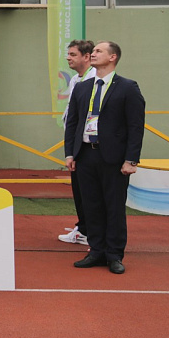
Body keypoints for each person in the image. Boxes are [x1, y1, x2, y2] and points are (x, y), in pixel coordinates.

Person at [64, 41, 145, 275]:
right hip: (85, 155)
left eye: (99, 51)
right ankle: (96, 251)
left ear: (113, 57)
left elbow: (136, 126)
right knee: (91, 206)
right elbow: (73, 122)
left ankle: (114, 255)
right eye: (93, 51)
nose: (94, 54)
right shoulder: (82, 88)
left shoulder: (127, 87)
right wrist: (70, 152)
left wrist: (131, 159)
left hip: (113, 158)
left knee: (114, 207)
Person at [58, 40, 96, 246]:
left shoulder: (94, 79)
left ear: (86, 57)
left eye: (73, 54)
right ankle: (84, 228)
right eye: (68, 54)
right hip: (75, 141)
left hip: (88, 143)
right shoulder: (74, 79)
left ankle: (90, 231)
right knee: (79, 190)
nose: (68, 58)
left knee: (88, 191)